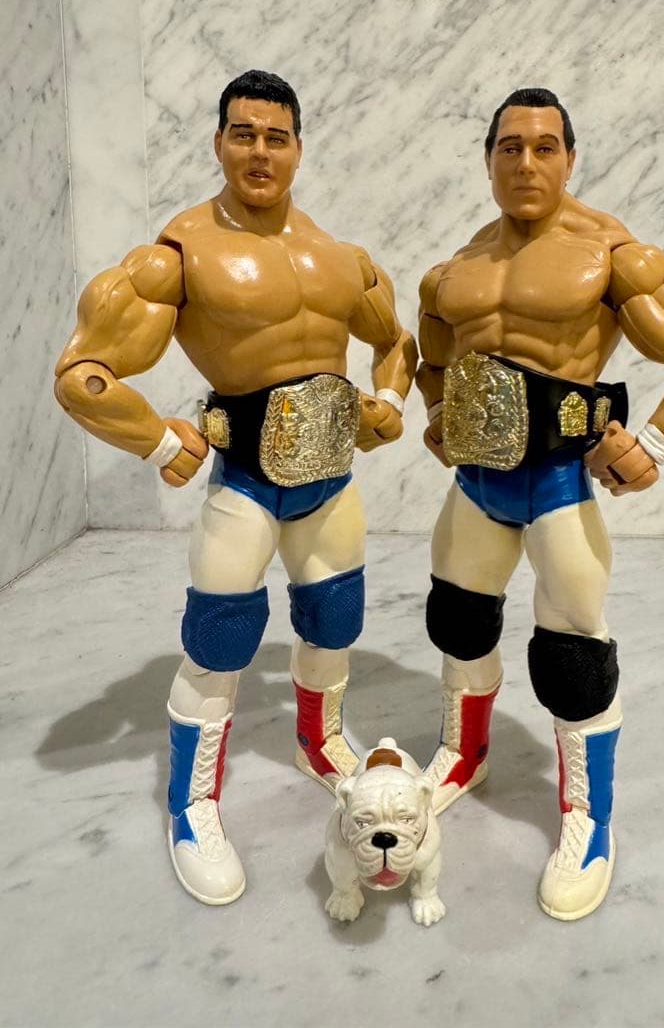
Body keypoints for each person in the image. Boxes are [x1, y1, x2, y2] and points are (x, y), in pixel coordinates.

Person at [55, 70, 416, 906]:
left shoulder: (339, 257)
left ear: (298, 148)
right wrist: (157, 438)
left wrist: (389, 403)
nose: (260, 151)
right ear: (218, 142)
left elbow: (397, 344)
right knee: (220, 641)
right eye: (243, 133)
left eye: (275, 136)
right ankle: (191, 805)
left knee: (334, 620)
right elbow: (83, 373)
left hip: (332, 482)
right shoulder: (179, 255)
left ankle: (318, 740)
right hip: (245, 482)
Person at [416, 87, 664, 921]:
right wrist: (439, 414)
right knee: (457, 621)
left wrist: (655, 444)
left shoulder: (611, 255)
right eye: (510, 147)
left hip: (560, 482)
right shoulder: (456, 267)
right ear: (487, 159)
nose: (526, 163)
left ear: (569, 158)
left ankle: (587, 816)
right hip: (475, 485)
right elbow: (432, 357)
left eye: (544, 147)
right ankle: (464, 753)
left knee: (571, 655)